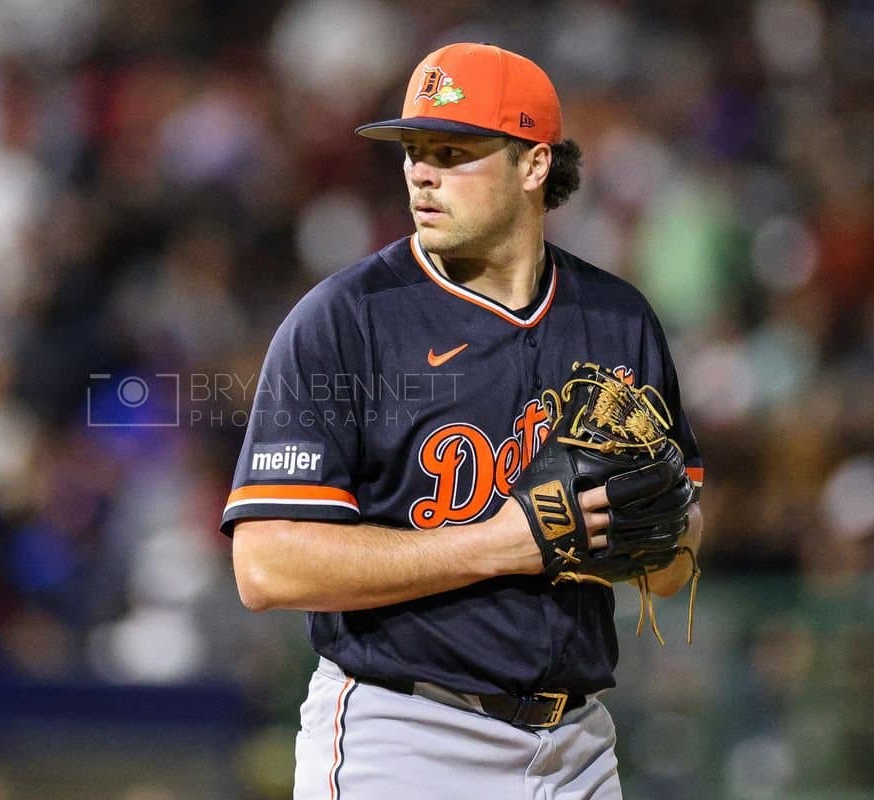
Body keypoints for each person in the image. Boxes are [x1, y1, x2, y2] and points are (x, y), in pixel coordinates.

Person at [221, 43, 705, 798]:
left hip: (578, 745)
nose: (421, 172)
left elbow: (676, 560)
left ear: (534, 165)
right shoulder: (347, 320)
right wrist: (499, 545)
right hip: (406, 733)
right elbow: (265, 565)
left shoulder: (618, 321)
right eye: (414, 152)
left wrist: (654, 533)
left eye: (453, 152)